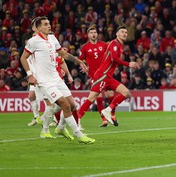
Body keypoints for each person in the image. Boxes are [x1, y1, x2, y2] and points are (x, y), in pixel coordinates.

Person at [20, 16, 95, 144]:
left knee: (72, 105)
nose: (49, 26)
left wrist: (79, 61)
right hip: (45, 82)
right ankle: (79, 134)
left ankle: (60, 128)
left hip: (57, 79)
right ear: (38, 28)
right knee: (64, 104)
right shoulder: (33, 41)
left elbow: (64, 54)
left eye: (49, 23)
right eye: (45, 24)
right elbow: (23, 58)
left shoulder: (53, 38)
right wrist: (30, 75)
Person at [78, 25, 140, 126]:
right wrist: (128, 64)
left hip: (108, 77)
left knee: (126, 93)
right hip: (102, 75)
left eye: (126, 32)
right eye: (122, 32)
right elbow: (114, 58)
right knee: (93, 98)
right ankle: (77, 119)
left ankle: (108, 111)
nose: (124, 34)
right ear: (117, 34)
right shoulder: (114, 43)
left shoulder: (114, 45)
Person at [78, 26, 119, 127]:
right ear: (88, 35)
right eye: (91, 32)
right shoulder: (85, 47)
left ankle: (113, 115)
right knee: (98, 98)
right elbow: (80, 59)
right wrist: (83, 67)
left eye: (95, 32)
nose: (93, 34)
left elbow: (111, 55)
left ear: (97, 34)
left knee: (111, 96)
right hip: (94, 77)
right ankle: (104, 119)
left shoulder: (103, 45)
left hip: (106, 75)